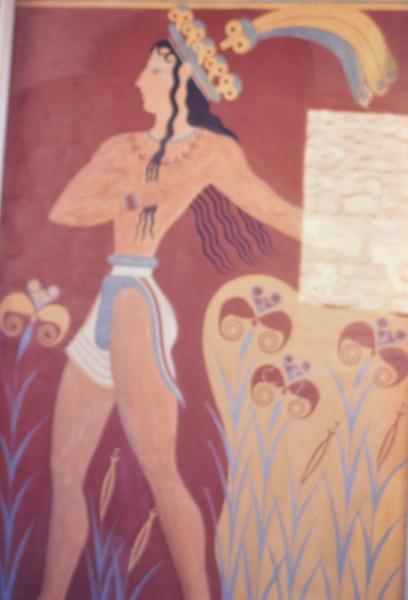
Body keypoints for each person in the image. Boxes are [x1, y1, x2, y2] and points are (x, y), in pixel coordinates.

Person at [39, 38, 301, 600]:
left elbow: (268, 206)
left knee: (158, 467)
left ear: (184, 82)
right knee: (63, 471)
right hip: (109, 298)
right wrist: (131, 199)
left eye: (153, 70)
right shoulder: (121, 147)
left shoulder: (209, 152)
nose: (140, 80)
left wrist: (354, 236)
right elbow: (66, 208)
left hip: (138, 302)